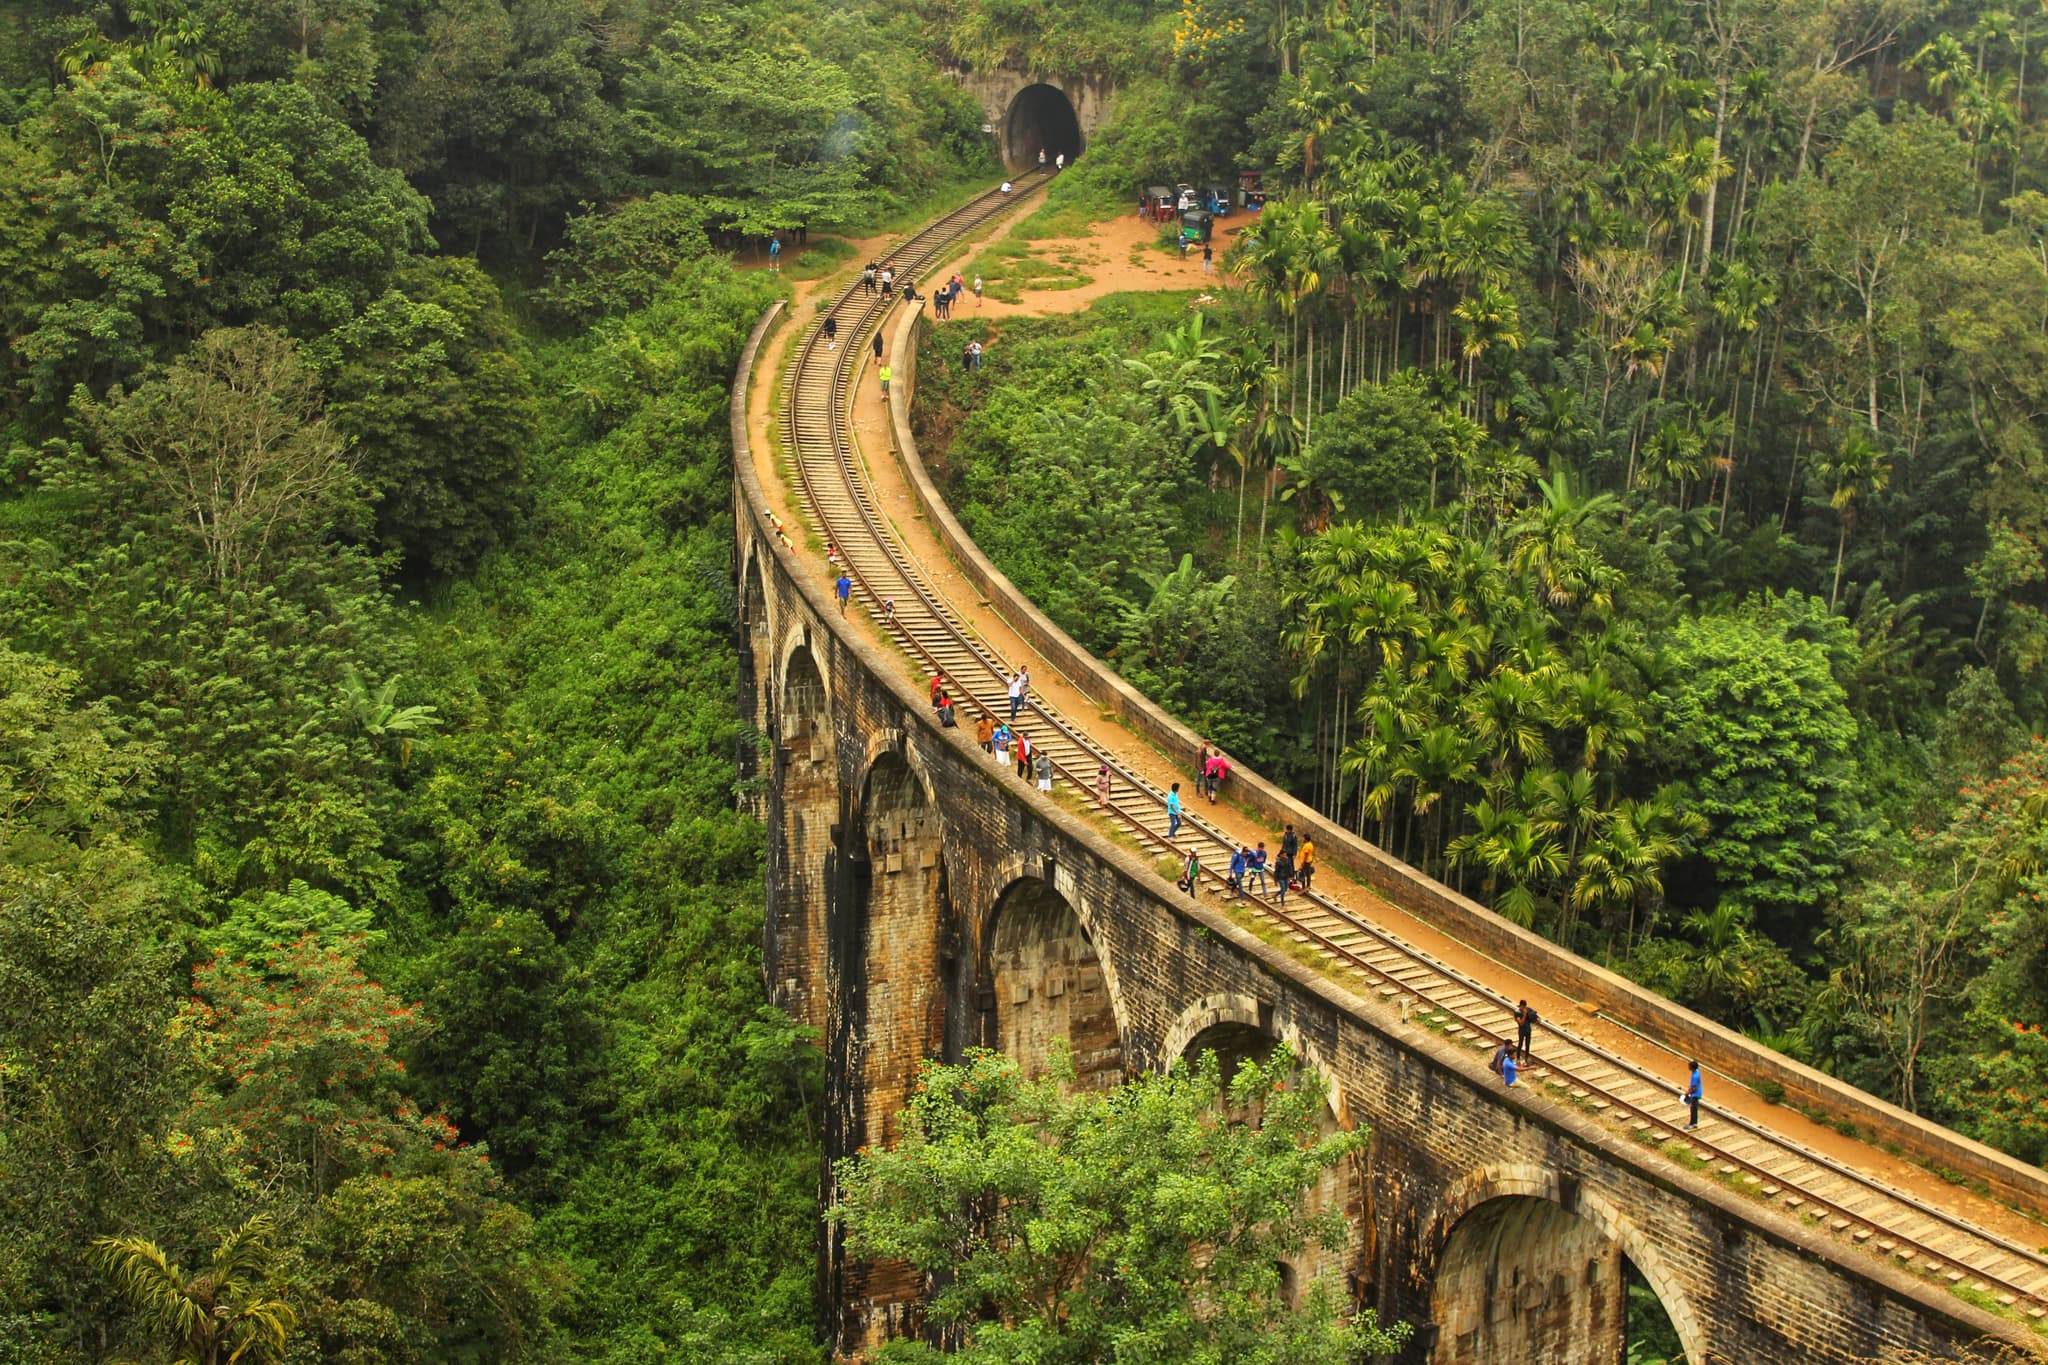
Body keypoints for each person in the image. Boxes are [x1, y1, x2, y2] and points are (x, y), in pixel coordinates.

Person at [1680, 1061, 1703, 1129]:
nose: (1688, 1067)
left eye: (1689, 1066)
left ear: (1692, 1067)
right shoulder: (1697, 1072)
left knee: (1693, 1109)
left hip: (1695, 1094)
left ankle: (1692, 1124)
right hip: (1697, 1092)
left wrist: (1687, 1093)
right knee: (1694, 1109)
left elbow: (1695, 1088)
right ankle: (1694, 1123)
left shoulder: (1695, 1076)